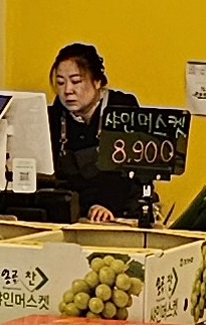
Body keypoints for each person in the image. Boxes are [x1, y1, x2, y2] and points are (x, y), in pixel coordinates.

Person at [44, 42, 158, 225]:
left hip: (122, 210)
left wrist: (106, 205)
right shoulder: (56, 114)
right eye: (60, 83)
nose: (67, 91)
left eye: (76, 81)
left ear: (97, 82)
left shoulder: (122, 107)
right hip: (77, 214)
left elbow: (128, 171)